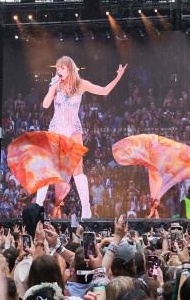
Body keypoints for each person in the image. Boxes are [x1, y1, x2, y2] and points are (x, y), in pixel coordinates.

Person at [35, 56, 127, 218]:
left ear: (70, 68)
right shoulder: (56, 85)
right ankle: (37, 207)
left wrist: (118, 77)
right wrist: (52, 87)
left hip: (73, 130)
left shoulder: (81, 84)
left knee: (78, 171)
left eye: (61, 68)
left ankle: (86, 210)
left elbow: (104, 90)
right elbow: (45, 105)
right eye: (57, 69)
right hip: (56, 129)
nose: (59, 71)